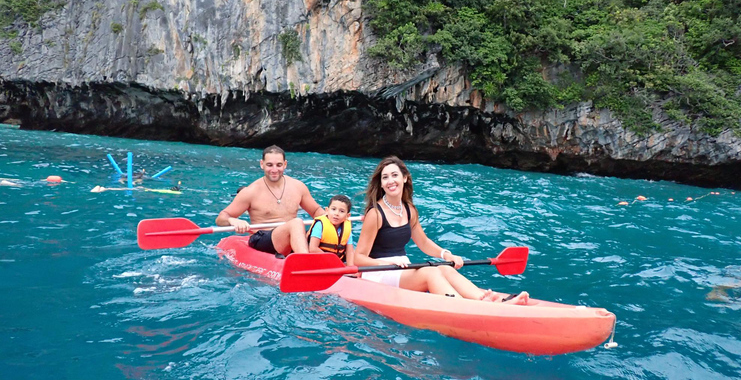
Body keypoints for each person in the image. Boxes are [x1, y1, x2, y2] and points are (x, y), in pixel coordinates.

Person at [355, 156, 529, 303]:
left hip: (402, 268)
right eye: (385, 177)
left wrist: (447, 255)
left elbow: (423, 242)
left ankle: (484, 299)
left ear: (405, 178)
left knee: (444, 267)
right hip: (378, 273)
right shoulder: (375, 214)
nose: (390, 181)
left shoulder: (409, 209)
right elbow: (359, 258)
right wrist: (386, 263)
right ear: (381, 183)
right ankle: (460, 305)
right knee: (431, 272)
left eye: (394, 175)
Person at [216, 145, 324, 255]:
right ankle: (305, 261)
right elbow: (221, 218)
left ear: (285, 164)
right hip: (262, 239)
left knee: (314, 230)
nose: (274, 170)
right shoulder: (250, 192)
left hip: (291, 236)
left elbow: (316, 212)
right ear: (262, 164)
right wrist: (232, 220)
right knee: (296, 223)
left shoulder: (298, 187)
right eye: (269, 165)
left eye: (279, 165)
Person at [307, 194, 355, 265]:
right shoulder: (320, 225)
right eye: (333, 209)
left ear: (347, 216)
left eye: (341, 211)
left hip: (336, 263)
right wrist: (332, 261)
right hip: (318, 261)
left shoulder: (346, 229)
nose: (336, 213)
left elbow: (350, 252)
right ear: (327, 210)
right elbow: (313, 248)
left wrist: (351, 268)